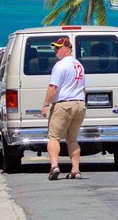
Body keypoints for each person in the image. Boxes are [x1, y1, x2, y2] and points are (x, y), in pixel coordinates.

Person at [41, 36, 86, 180]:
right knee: (72, 139)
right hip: (79, 104)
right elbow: (83, 88)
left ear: (67, 48)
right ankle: (76, 170)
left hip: (64, 104)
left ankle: (54, 166)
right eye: (55, 47)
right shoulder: (78, 65)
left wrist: (46, 105)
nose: (56, 50)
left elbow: (53, 87)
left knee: (54, 137)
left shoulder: (60, 65)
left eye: (58, 47)